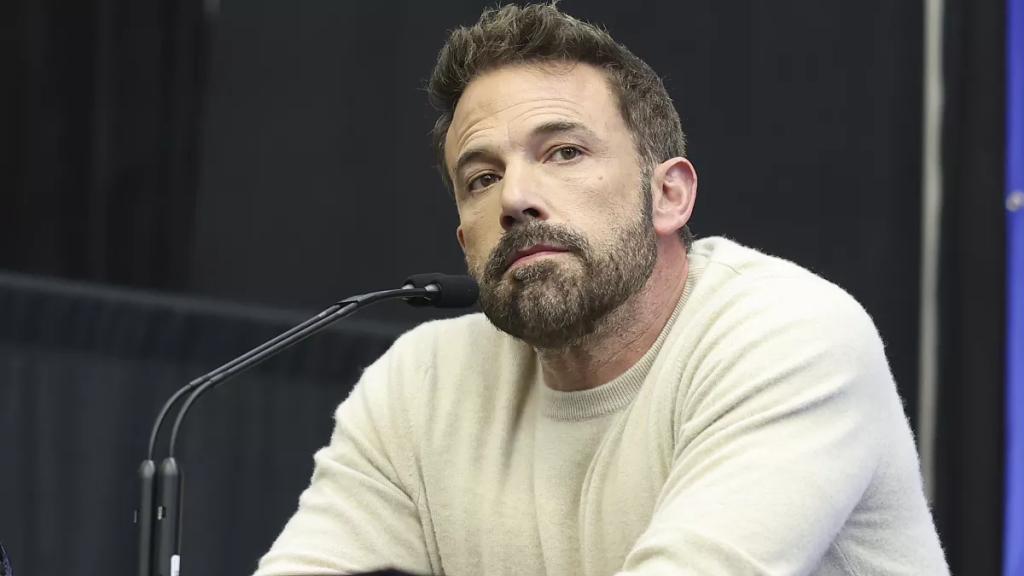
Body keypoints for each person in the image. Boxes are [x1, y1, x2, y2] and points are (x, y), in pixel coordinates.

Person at [253, 3, 949, 575]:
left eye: (564, 152)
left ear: (668, 196)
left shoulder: (789, 335)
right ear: (466, 242)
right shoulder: (420, 383)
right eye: (482, 178)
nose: (515, 199)